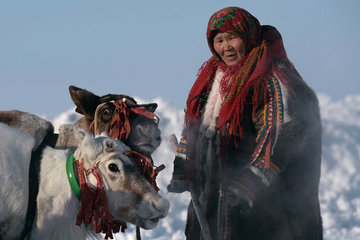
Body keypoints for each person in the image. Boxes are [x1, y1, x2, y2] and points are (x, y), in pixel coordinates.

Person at [167, 6, 323, 240]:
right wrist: (185, 165)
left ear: (247, 36)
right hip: (212, 199)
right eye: (219, 40)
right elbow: (195, 126)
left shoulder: (271, 79)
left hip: (264, 204)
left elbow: (281, 133)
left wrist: (248, 183)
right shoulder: (212, 78)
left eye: (232, 37)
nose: (225, 47)